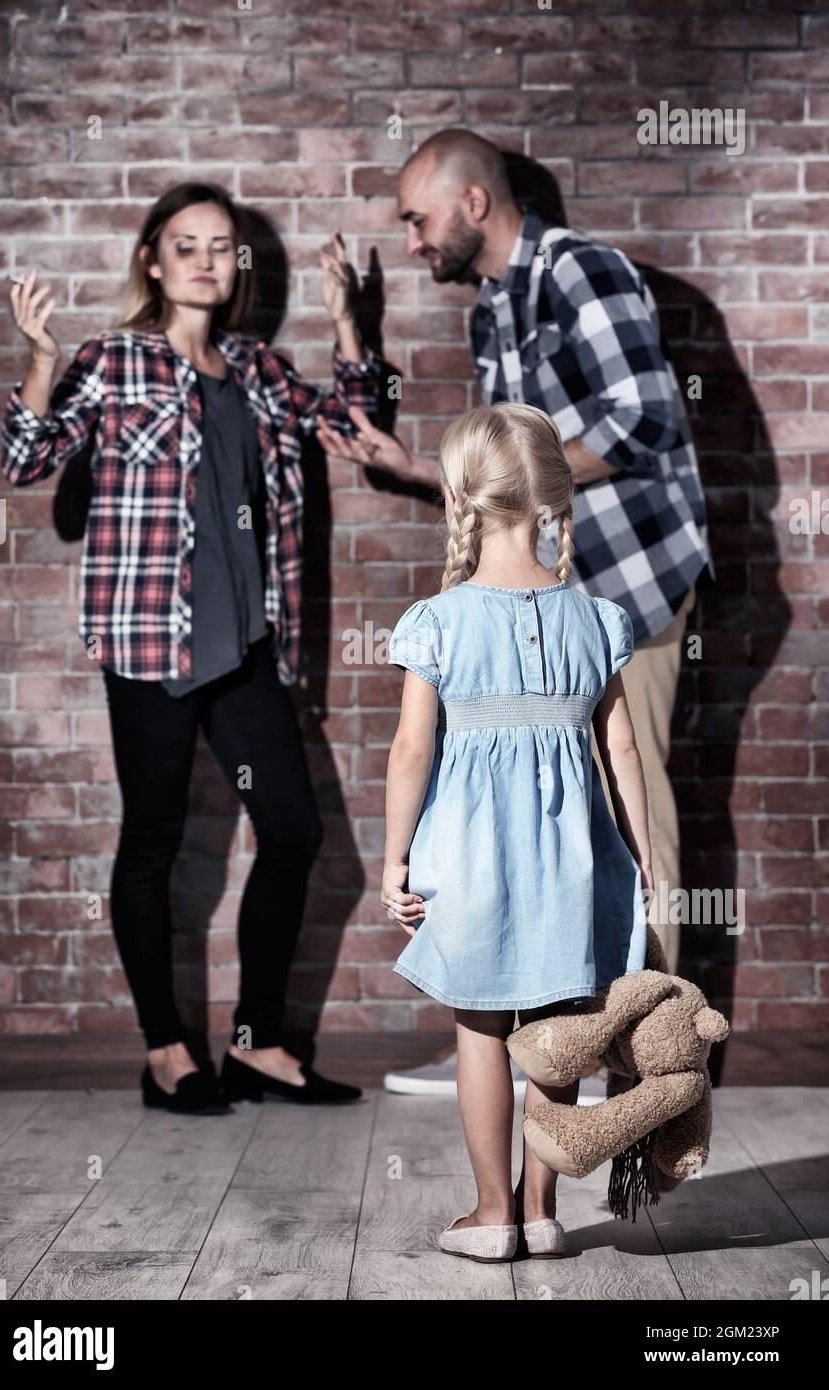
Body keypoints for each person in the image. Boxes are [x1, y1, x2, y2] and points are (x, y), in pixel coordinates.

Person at [317, 128, 711, 1096]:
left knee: (632, 809)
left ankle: (645, 1064)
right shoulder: (492, 309)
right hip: (544, 590)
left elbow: (642, 418)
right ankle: (504, 1027)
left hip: (626, 580)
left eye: (416, 218)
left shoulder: (578, 269)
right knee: (514, 815)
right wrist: (417, 469)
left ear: (474, 203)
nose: (410, 241)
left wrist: (524, 477)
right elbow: (501, 482)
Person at [0, 182, 381, 1113]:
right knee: (156, 842)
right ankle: (167, 1051)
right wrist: (42, 364)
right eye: (186, 243)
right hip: (148, 638)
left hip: (249, 643)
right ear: (153, 261)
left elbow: (355, 429)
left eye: (223, 244)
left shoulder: (256, 369)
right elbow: (28, 460)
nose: (207, 258)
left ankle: (256, 1045)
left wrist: (347, 323)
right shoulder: (114, 360)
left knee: (293, 831)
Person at [381, 402, 652, 1261]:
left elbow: (411, 749)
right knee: (560, 1029)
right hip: (573, 859)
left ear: (459, 495)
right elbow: (623, 745)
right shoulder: (597, 619)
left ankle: (492, 1214)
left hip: (468, 859)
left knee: (482, 1030)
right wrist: (642, 857)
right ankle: (543, 1210)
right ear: (557, 495)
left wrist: (393, 858)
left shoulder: (438, 620)